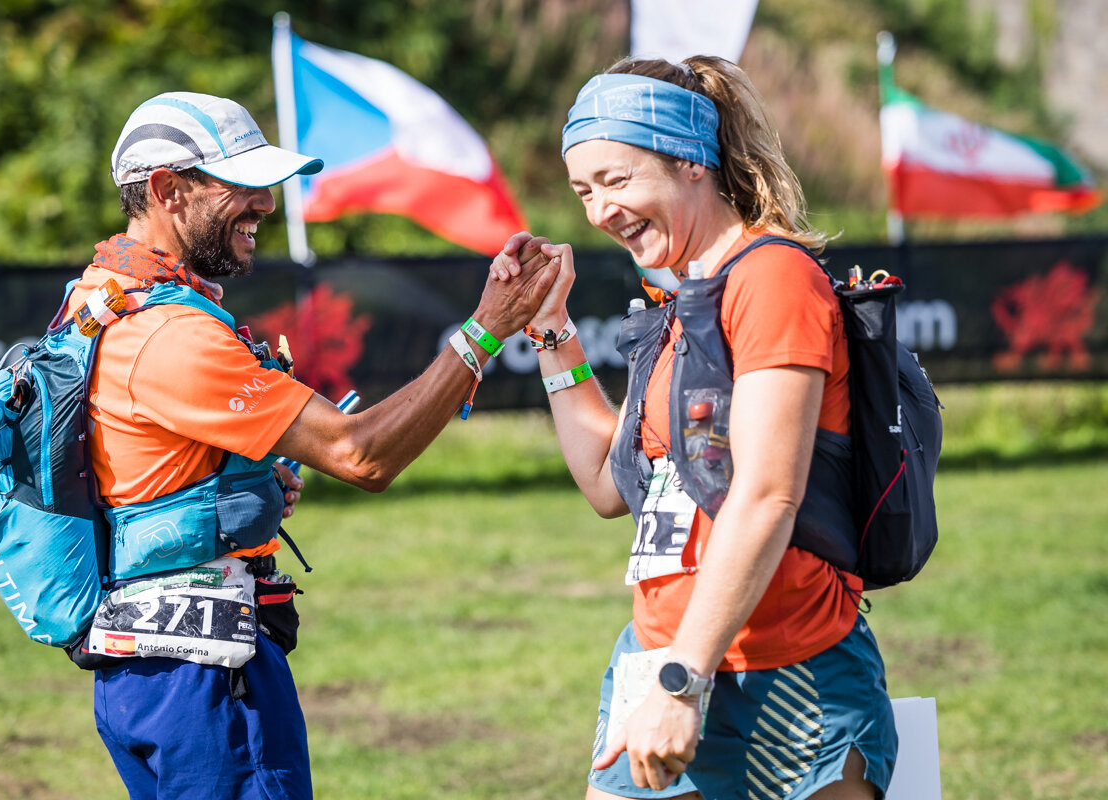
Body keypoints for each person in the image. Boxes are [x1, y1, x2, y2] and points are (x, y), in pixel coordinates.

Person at [66, 91, 557, 800]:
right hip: (207, 677)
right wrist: (484, 330)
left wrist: (237, 487)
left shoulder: (101, 295)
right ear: (168, 190)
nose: (266, 204)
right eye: (242, 185)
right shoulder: (173, 334)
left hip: (142, 673)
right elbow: (364, 454)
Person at [492, 57, 898, 799]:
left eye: (617, 181)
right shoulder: (679, 299)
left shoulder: (772, 277)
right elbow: (610, 487)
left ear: (690, 164)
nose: (597, 211)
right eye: (584, 190)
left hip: (785, 672)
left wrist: (684, 681)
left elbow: (768, 494)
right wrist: (552, 330)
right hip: (657, 659)